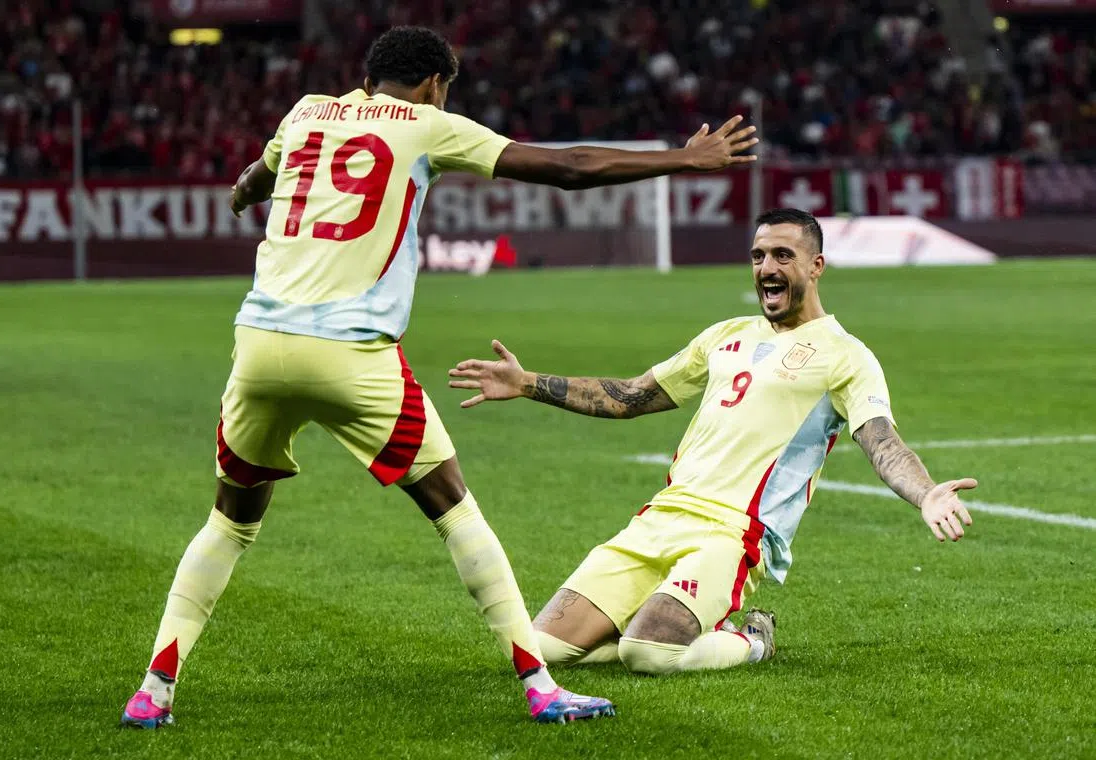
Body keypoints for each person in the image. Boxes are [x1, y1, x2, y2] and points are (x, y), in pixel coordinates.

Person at [120, 25, 758, 728]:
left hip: (258, 346)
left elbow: (257, 177)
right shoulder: (427, 124)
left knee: (230, 522)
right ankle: (541, 687)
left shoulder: (304, 110)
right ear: (432, 85)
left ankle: (154, 689)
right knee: (454, 509)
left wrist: (245, 193)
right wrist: (685, 157)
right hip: (350, 354)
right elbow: (568, 166)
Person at [447, 208, 978, 676]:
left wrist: (926, 492)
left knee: (648, 656)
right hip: (658, 519)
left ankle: (751, 642)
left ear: (816, 266)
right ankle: (655, 619)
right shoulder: (726, 335)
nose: (767, 269)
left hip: (732, 533)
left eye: (783, 256)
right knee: (538, 649)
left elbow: (881, 441)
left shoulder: (846, 355)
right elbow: (630, 396)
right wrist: (526, 383)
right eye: (758, 256)